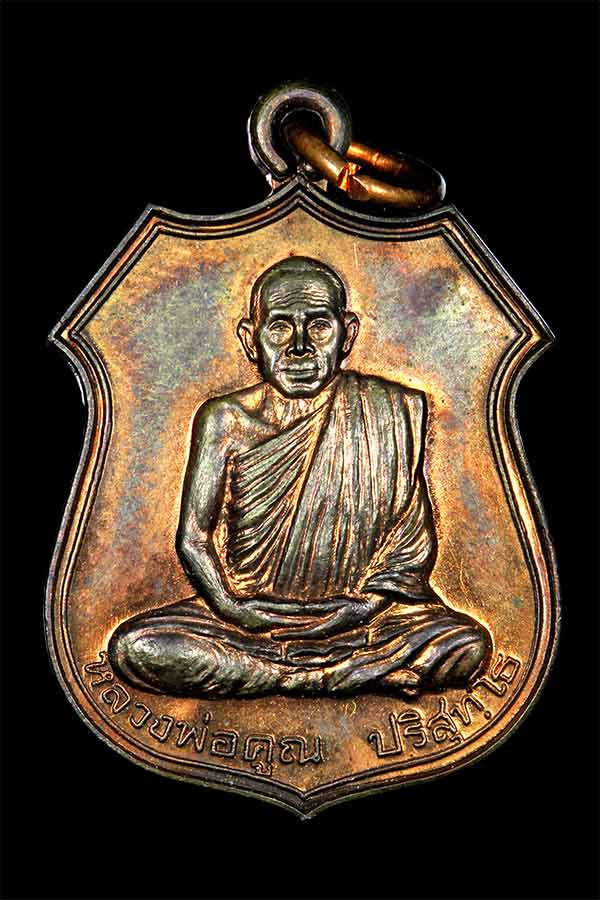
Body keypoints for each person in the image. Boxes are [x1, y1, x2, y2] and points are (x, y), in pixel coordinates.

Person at [109, 256, 491, 697]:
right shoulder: (226, 420)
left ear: (347, 334)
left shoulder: (389, 412)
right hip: (248, 620)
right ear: (250, 339)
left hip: (360, 619)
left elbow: (407, 546)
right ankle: (325, 677)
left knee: (468, 644)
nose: (300, 347)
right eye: (280, 328)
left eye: (319, 326)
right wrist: (232, 608)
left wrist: (360, 608)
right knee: (138, 647)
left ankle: (293, 673)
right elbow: (194, 538)